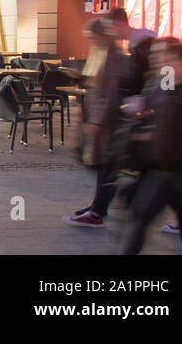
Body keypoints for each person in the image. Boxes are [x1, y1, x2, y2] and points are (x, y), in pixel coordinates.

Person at [120, 43, 182, 255]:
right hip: (167, 171)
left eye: (168, 60)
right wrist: (143, 111)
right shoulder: (170, 83)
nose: (162, 63)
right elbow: (158, 110)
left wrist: (149, 134)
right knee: (142, 220)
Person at [64, 17, 131, 228]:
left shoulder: (113, 57)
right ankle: (98, 206)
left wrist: (97, 122)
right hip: (96, 118)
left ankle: (99, 210)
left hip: (106, 122)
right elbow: (94, 83)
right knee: (102, 166)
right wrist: (80, 78)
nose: (91, 42)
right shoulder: (99, 54)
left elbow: (110, 93)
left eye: (93, 38)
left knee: (106, 166)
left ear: (103, 36)